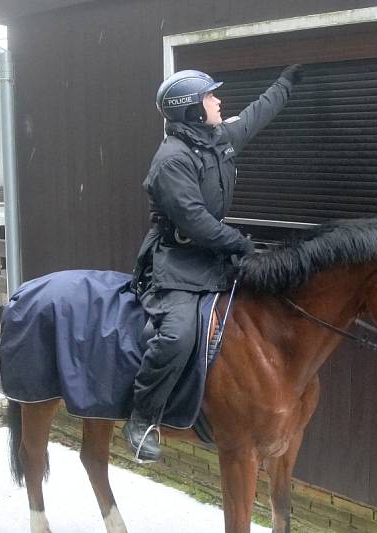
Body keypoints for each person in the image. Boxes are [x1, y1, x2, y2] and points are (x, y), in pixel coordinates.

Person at [124, 65, 304, 462]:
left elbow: (255, 116)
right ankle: (143, 418)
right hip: (177, 263)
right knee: (178, 334)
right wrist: (241, 244)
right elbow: (197, 222)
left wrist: (286, 82)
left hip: (215, 257)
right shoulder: (171, 161)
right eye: (210, 97)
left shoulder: (215, 138)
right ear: (192, 110)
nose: (219, 101)